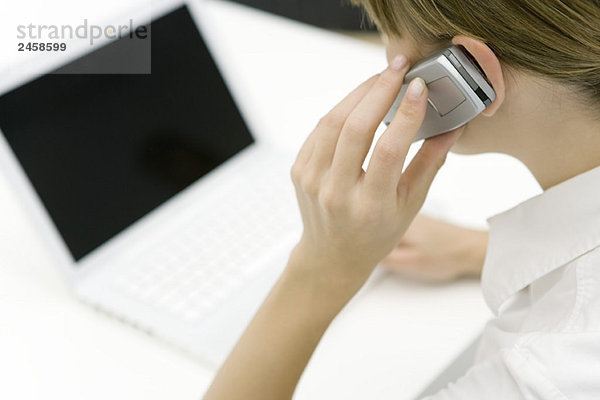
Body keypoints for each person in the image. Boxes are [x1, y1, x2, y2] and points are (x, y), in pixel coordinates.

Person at [203, 0, 600, 398]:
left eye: (385, 31)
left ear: (475, 68)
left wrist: (322, 269)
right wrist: (476, 249)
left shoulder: (544, 374)